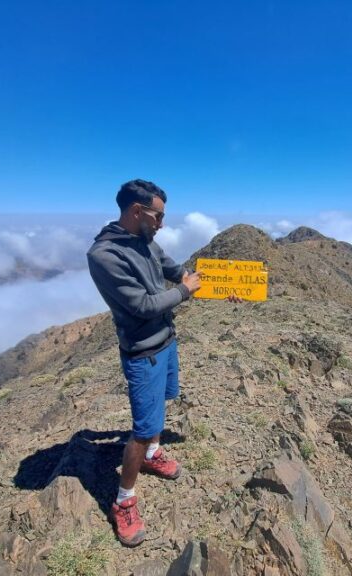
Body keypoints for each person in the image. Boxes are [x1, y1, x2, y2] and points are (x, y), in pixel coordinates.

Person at [87, 179, 238, 547]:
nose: (162, 224)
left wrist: (220, 286)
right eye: (159, 215)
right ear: (137, 211)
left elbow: (173, 268)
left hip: (166, 341)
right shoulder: (104, 256)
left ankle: (153, 454)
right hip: (143, 353)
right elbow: (141, 306)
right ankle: (124, 500)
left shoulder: (144, 240)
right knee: (142, 428)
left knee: (158, 412)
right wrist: (186, 291)